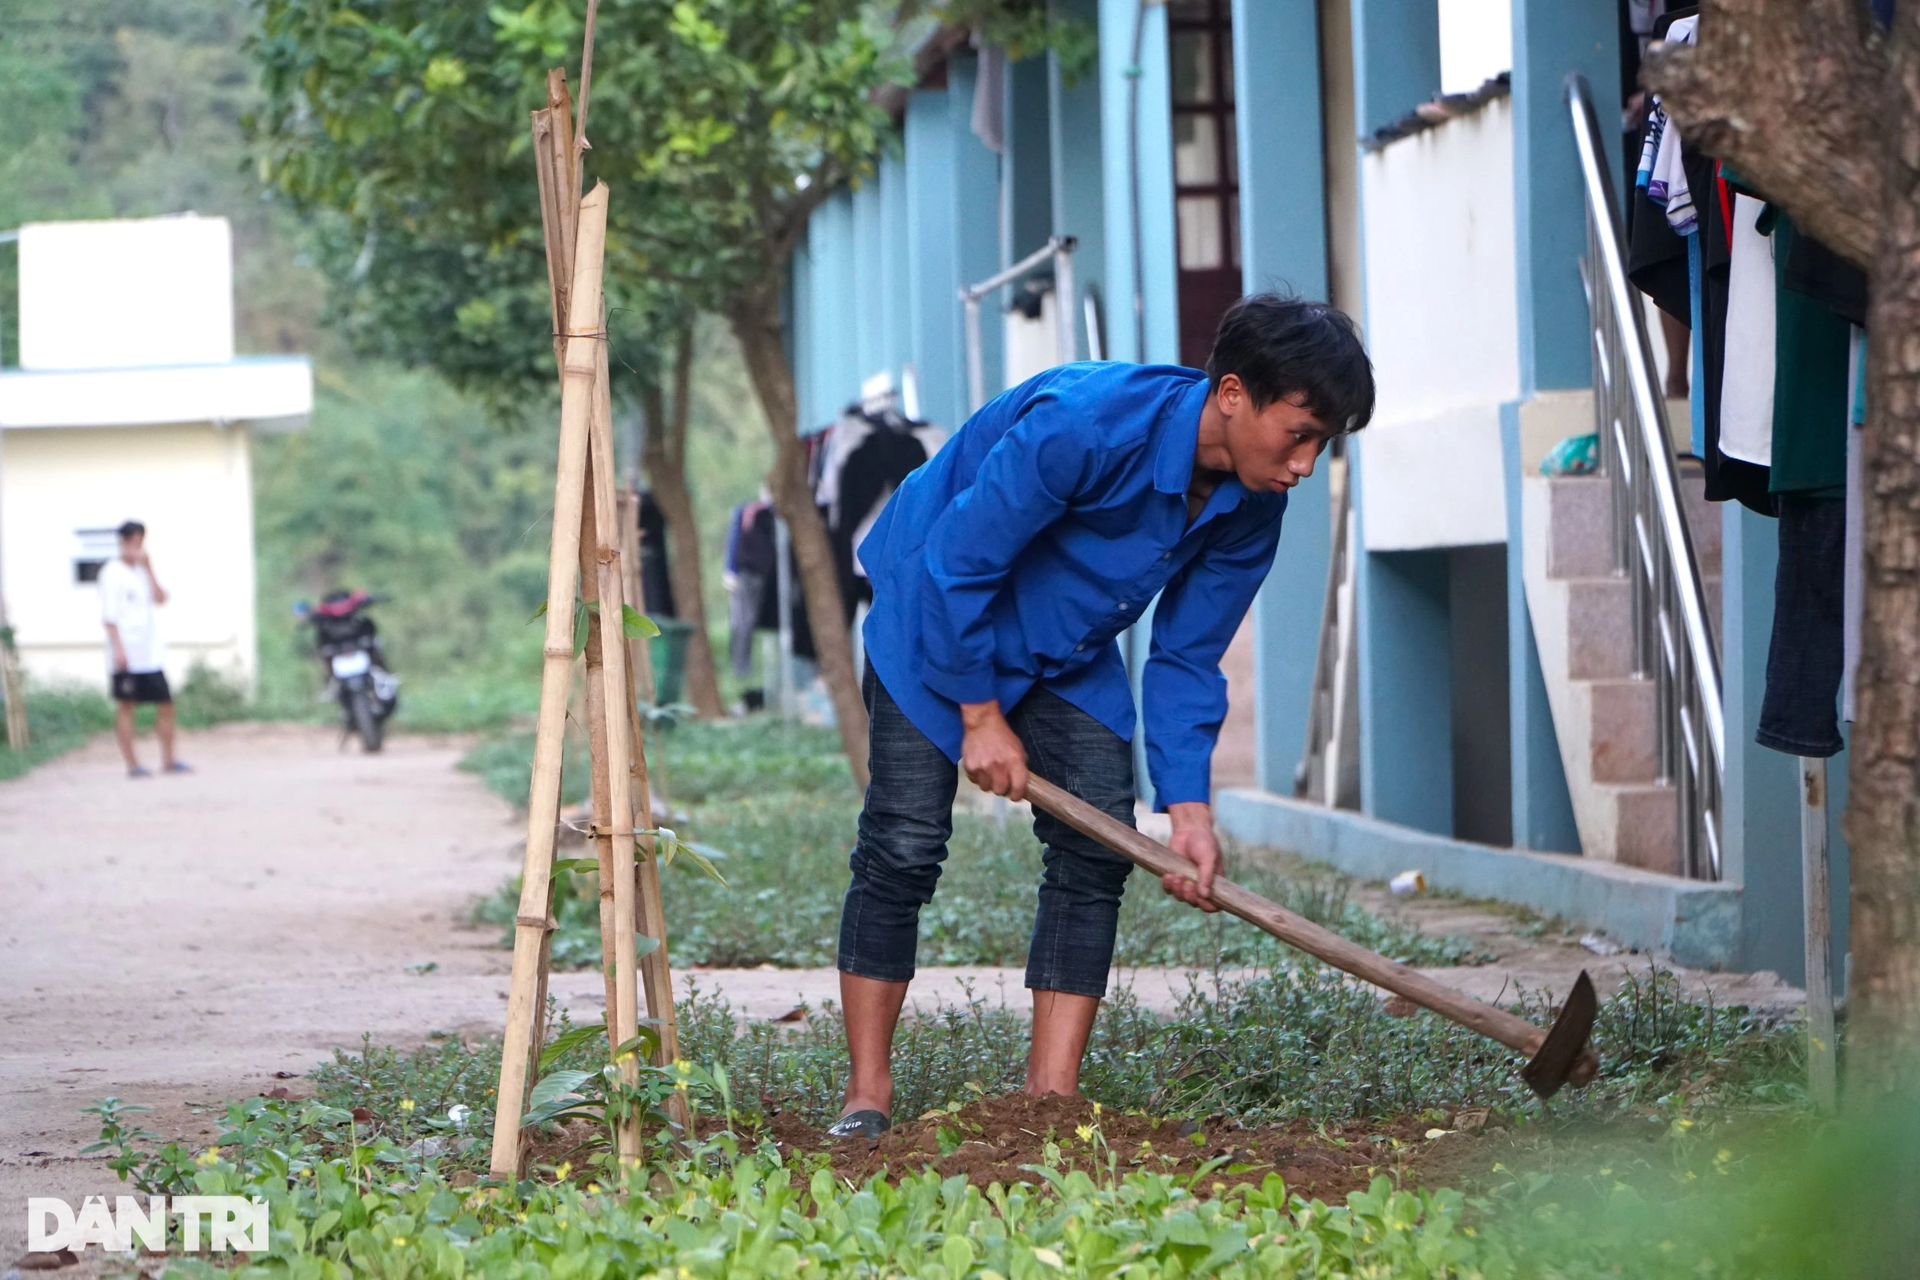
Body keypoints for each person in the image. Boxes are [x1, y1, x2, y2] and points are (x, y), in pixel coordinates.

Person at [830, 294, 1375, 1137]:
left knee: (1095, 850)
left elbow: (1188, 655)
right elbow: (959, 566)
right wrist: (979, 716)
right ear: (1232, 393)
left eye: (1322, 444)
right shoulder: (1083, 427)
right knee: (903, 843)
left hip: (1065, 644)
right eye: (1298, 433)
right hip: (936, 609)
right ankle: (866, 1098)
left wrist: (1188, 811)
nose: (1305, 464)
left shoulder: (1256, 503)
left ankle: (1048, 1102)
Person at [99, 520, 185, 778]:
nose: (138, 548)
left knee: (166, 703)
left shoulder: (141, 571)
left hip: (150, 653)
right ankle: (133, 764)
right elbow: (109, 616)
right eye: (134, 543)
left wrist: (149, 568)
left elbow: (160, 598)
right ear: (123, 543)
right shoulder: (111, 573)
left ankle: (169, 759)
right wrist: (119, 650)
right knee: (127, 706)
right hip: (127, 651)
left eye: (141, 543)